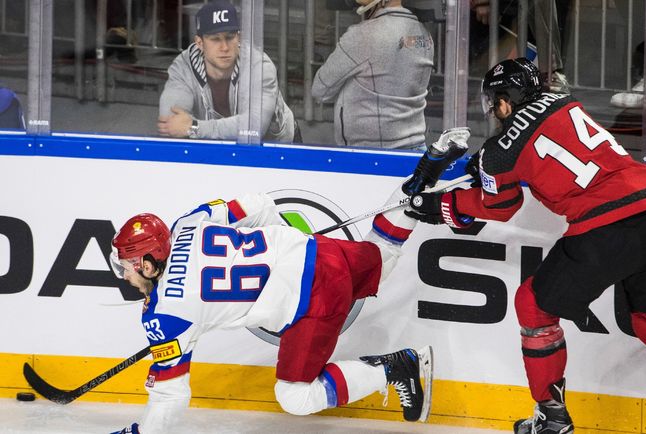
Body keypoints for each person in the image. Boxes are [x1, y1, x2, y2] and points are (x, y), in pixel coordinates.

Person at [407, 58, 646, 434]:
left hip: (605, 227)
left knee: (533, 305)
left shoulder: (498, 150)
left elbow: (502, 207)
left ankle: (552, 419)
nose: (494, 110)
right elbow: (546, 143)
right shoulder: (562, 102)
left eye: (496, 101)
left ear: (505, 100)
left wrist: (442, 206)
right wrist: (484, 165)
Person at [108, 127, 471, 434]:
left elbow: (171, 397)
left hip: (311, 301)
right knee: (383, 257)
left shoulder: (165, 312)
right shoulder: (188, 222)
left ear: (150, 264)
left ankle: (397, 366)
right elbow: (257, 204)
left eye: (127, 265)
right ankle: (424, 174)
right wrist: (283, 248)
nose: (124, 273)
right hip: (315, 252)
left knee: (295, 396)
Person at [157, 0, 298, 142]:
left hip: (278, 149)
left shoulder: (259, 66)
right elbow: (171, 124)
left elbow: (254, 128)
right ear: (199, 43)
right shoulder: (183, 67)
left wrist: (195, 128)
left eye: (230, 37)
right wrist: (191, 128)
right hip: (212, 147)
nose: (224, 47)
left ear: (239, 38)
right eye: (215, 39)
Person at [311, 0, 434, 149]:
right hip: (417, 149)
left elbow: (320, 90)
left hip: (374, 155)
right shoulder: (425, 37)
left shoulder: (362, 35)